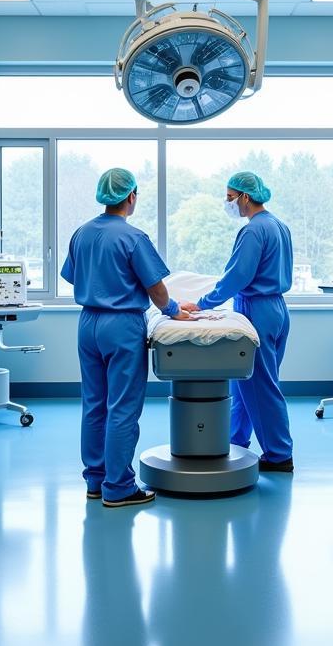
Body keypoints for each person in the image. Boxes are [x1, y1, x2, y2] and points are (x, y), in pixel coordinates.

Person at [61, 168, 190, 508]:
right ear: (131, 196)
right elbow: (157, 291)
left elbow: (75, 278)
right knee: (122, 408)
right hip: (122, 327)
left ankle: (95, 480)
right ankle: (118, 488)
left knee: (94, 405)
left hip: (87, 323)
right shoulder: (133, 238)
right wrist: (175, 310)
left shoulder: (81, 233)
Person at [180, 171, 295, 472]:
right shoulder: (278, 226)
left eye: (230, 198)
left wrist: (203, 304)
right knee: (248, 384)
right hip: (277, 310)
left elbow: (237, 277)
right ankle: (234, 441)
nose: (228, 203)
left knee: (261, 387)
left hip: (256, 310)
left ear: (245, 196)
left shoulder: (253, 230)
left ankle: (279, 455)